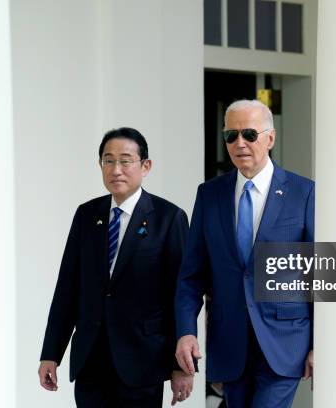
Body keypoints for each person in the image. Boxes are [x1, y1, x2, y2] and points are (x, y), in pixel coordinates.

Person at [38, 127, 193, 407]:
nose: (116, 169)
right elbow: (67, 289)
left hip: (142, 363)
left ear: (146, 166)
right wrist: (51, 353)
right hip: (91, 361)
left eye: (125, 160)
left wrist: (181, 365)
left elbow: (181, 295)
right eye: (108, 161)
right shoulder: (87, 215)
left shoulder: (169, 218)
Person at [175, 100, 315, 408]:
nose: (240, 143)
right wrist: (186, 332)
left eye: (249, 134)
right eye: (231, 135)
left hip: (285, 342)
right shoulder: (208, 195)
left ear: (270, 138)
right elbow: (191, 276)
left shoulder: (303, 193)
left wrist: (320, 344)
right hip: (229, 343)